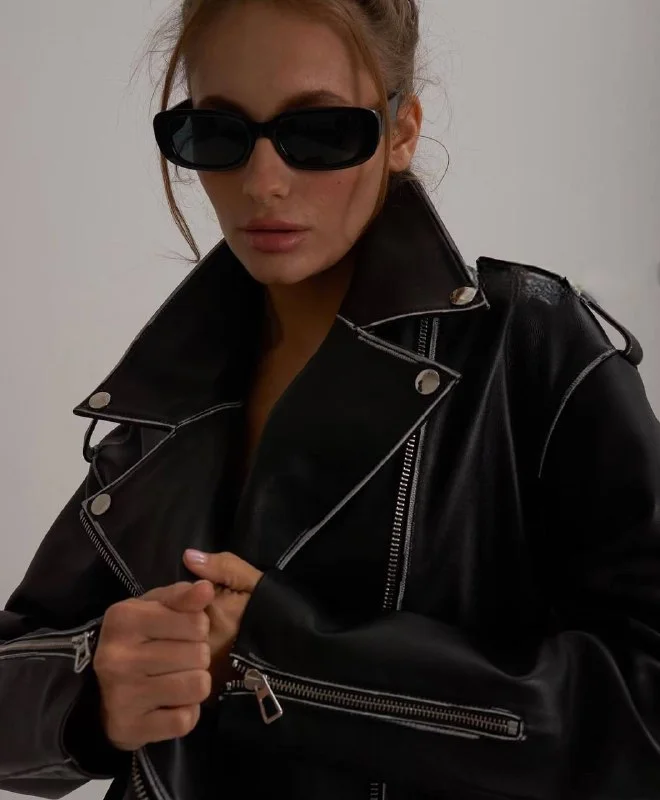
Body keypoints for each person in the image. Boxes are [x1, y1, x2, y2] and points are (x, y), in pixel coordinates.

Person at [1, 0, 659, 798]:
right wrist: (95, 694)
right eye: (217, 133)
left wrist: (291, 657)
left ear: (402, 131)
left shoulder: (530, 348)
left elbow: (645, 710)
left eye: (319, 132)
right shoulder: (167, 395)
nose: (262, 183)